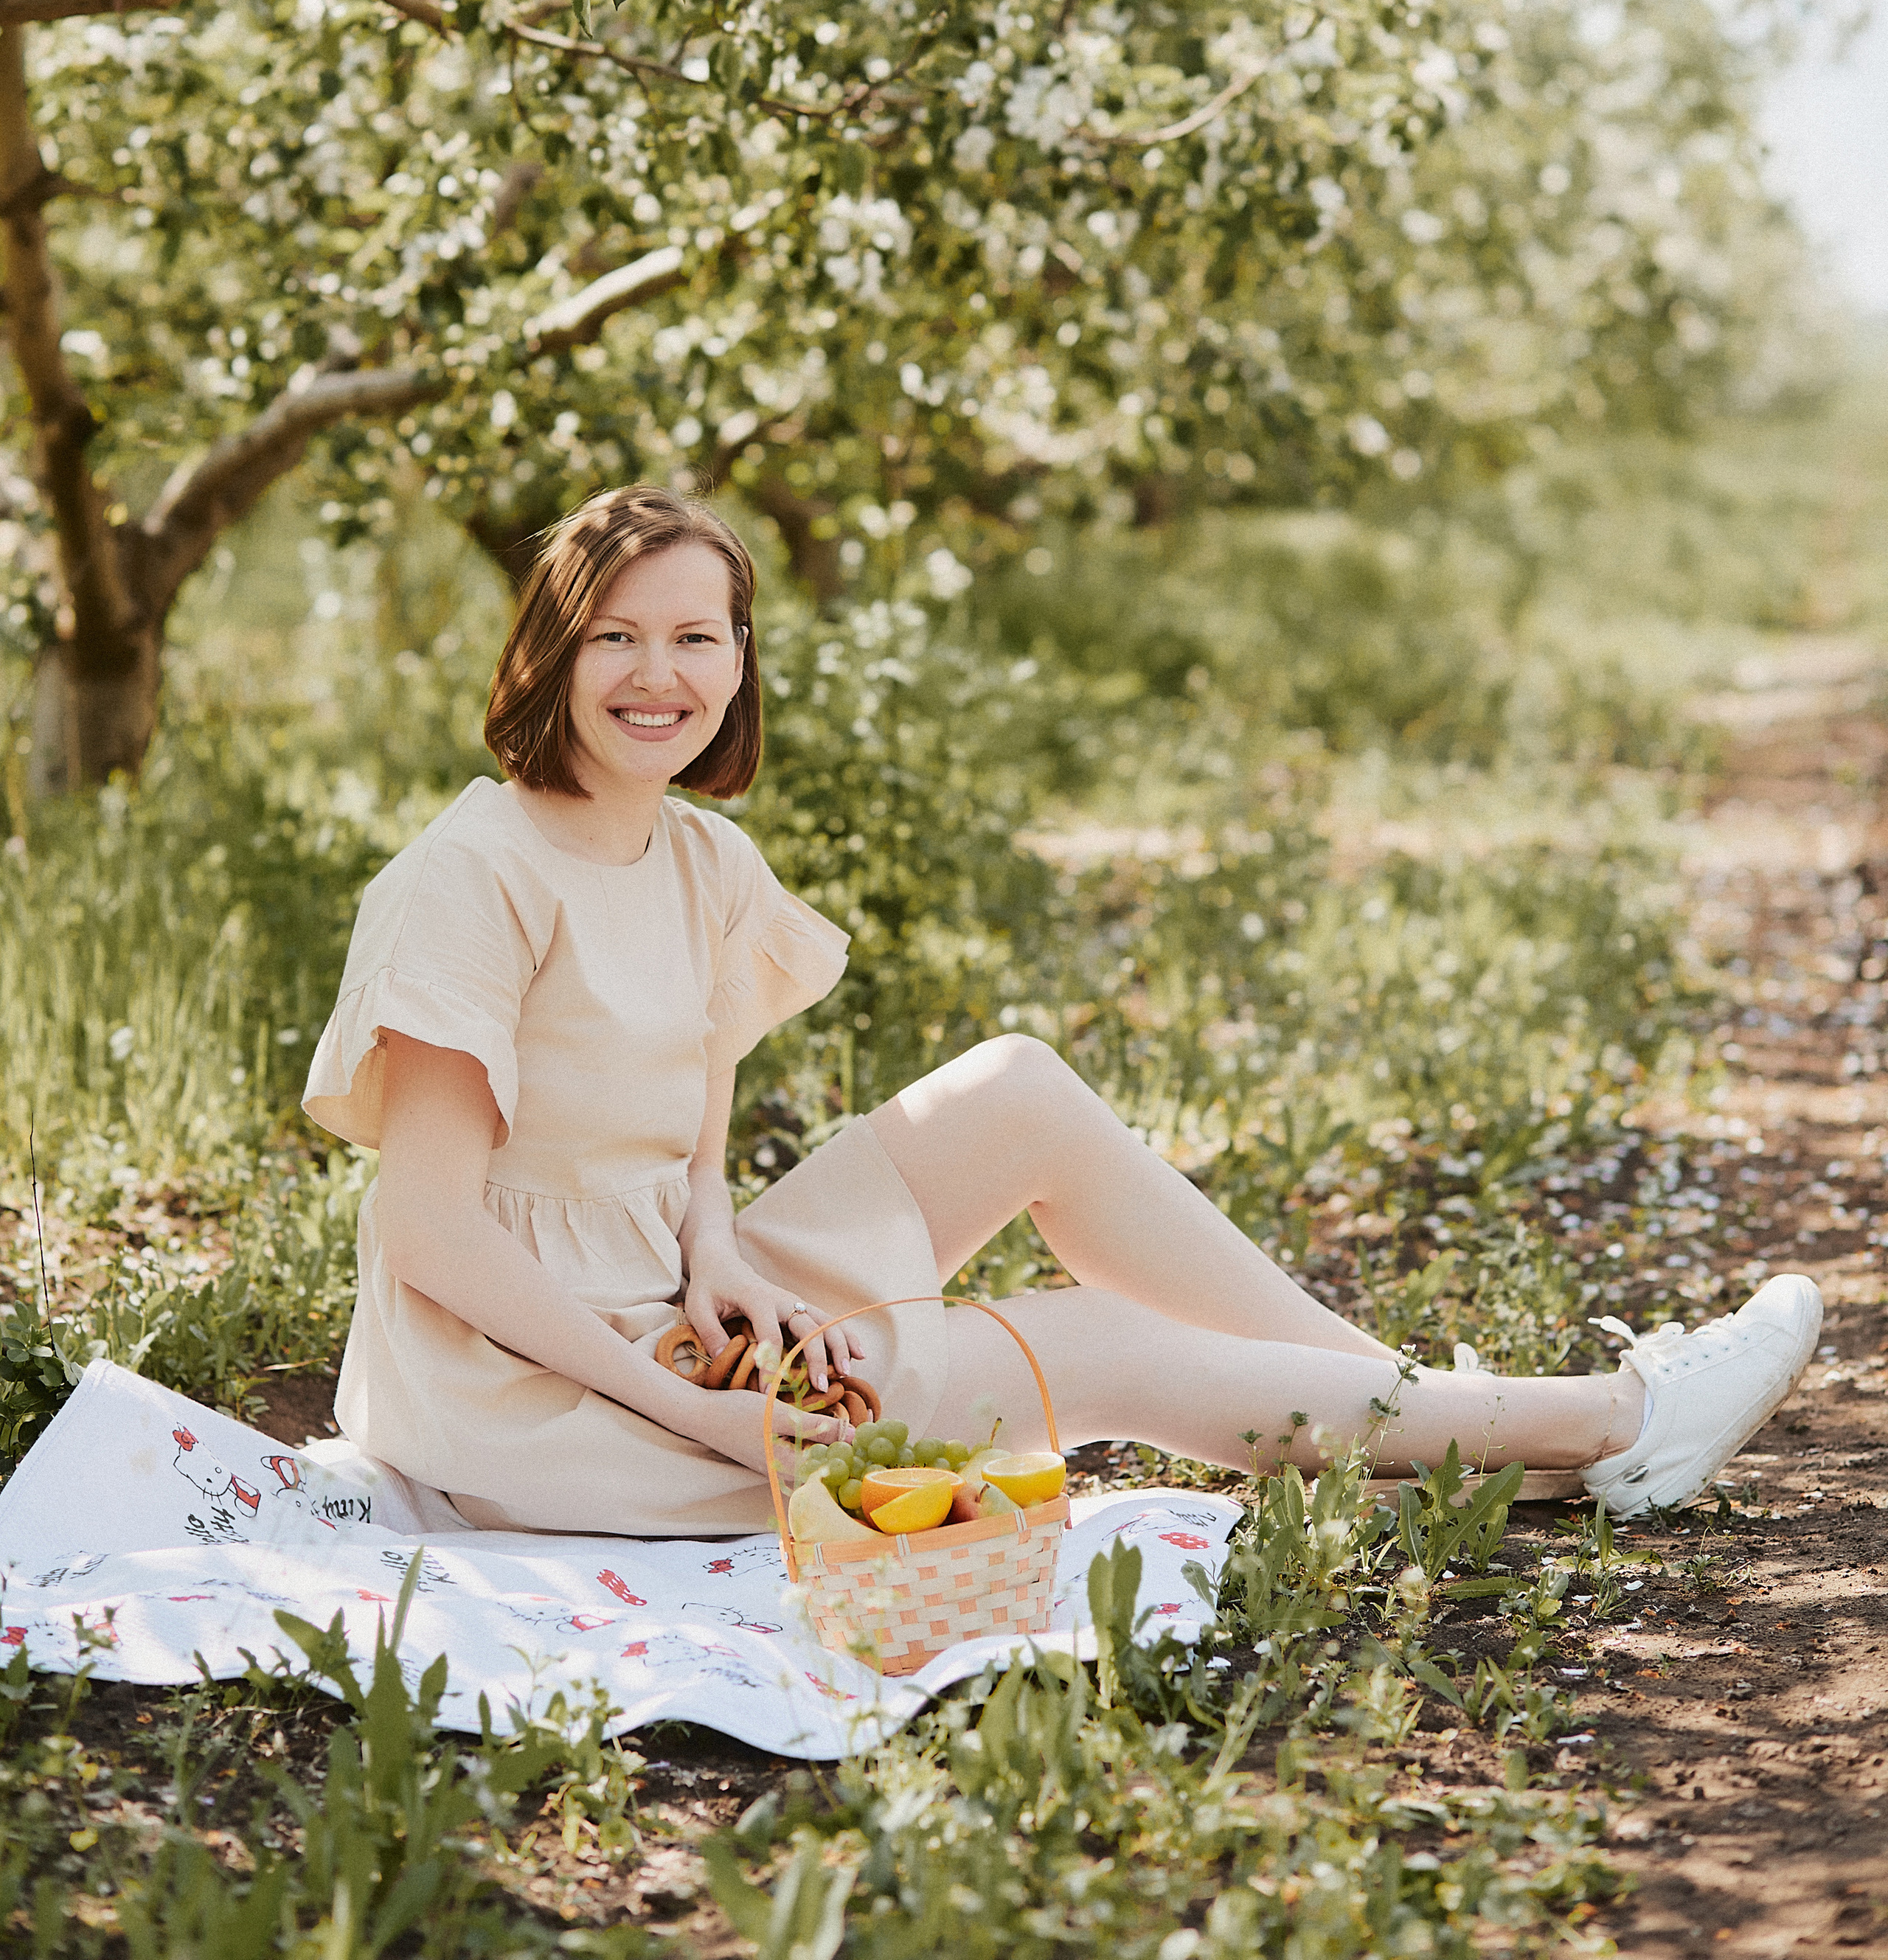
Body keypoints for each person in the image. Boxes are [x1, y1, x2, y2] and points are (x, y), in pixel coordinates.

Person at [303, 486, 1820, 1537]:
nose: (658, 673)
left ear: (741, 657)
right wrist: (704, 1418)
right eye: (614, 636)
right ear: (548, 652)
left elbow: (687, 1157)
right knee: (1090, 1342)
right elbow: (432, 1235)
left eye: (695, 636)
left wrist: (714, 1255)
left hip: (674, 1300)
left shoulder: (704, 857)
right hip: (535, 1397)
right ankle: (1613, 1421)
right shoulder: (470, 879)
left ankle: (1414, 1420)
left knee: (1015, 1087)